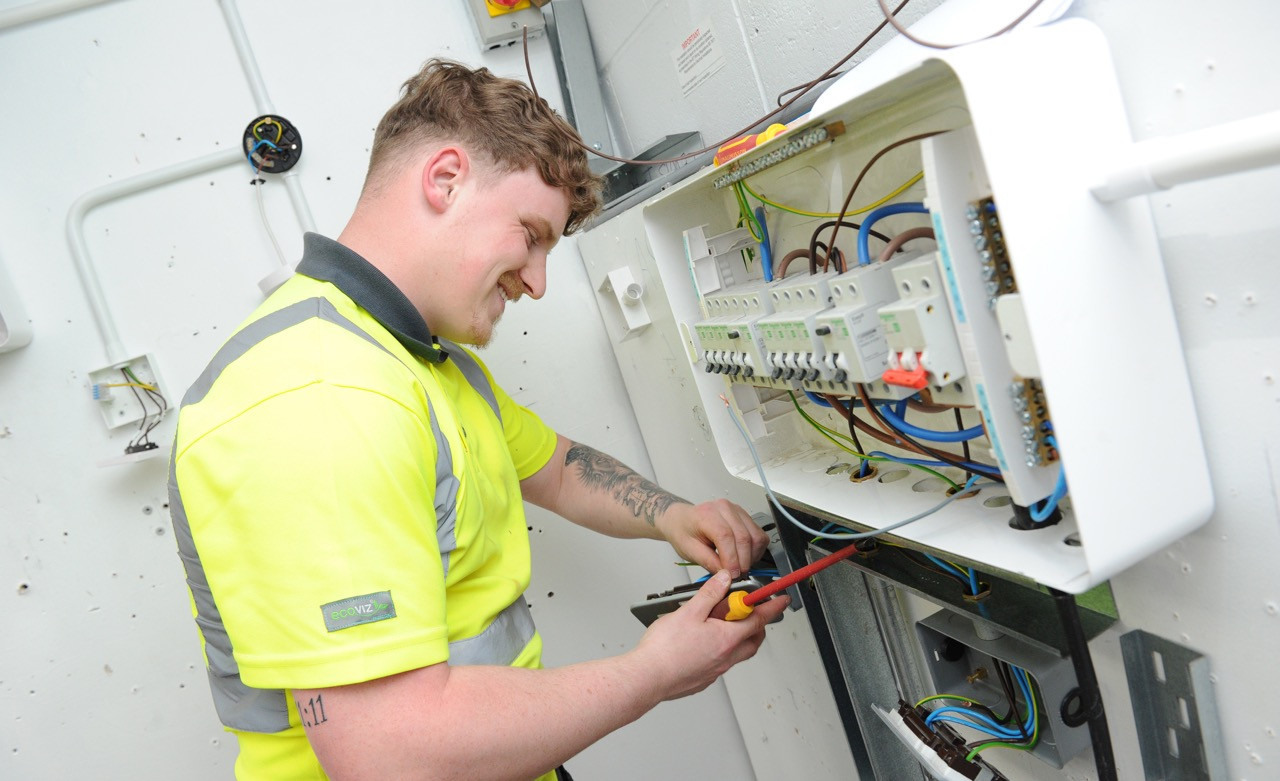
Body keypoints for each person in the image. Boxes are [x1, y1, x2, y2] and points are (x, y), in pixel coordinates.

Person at [168, 58, 788, 780]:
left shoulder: (422, 360)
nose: (536, 280)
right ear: (445, 179)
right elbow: (390, 755)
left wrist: (673, 515)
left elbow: (553, 467)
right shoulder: (319, 397)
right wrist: (653, 672)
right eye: (531, 236)